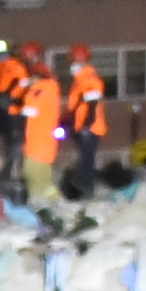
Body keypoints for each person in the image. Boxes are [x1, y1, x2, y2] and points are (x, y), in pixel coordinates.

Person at [17, 54, 65, 204]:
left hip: (37, 145)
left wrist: (20, 95)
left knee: (32, 174)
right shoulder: (52, 89)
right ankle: (57, 202)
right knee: (45, 180)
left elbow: (29, 110)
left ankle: (40, 205)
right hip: (46, 145)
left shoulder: (40, 90)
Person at [0, 40, 28, 197]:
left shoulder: (17, 67)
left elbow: (22, 84)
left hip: (12, 111)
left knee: (13, 143)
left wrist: (9, 96)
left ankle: (10, 171)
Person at [64, 44, 108, 193]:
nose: (72, 65)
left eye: (74, 61)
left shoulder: (90, 78)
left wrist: (86, 126)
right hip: (82, 126)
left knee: (87, 160)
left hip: (90, 127)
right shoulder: (80, 80)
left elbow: (92, 104)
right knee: (85, 159)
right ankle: (85, 186)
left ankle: (87, 189)